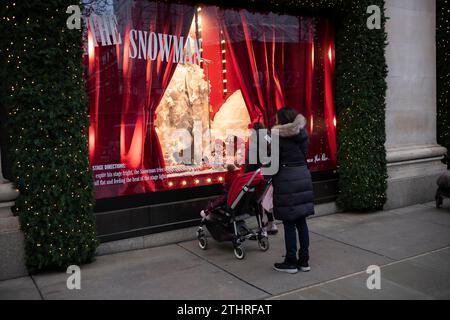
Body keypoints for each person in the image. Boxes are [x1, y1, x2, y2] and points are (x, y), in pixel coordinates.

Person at [271, 107, 314, 274]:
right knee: (301, 221)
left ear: (281, 120)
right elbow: (304, 153)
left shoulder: (277, 137)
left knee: (289, 222)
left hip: (287, 178)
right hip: (303, 175)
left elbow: (274, 162)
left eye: (276, 119)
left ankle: (290, 261)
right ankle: (304, 260)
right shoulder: (302, 133)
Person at [243, 122, 278, 235]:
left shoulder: (254, 138)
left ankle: (261, 227)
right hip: (271, 173)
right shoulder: (269, 136)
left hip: (259, 174)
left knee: (258, 201)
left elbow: (251, 160)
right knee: (267, 199)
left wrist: (245, 174)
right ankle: (271, 224)